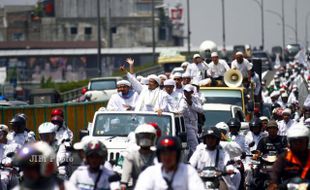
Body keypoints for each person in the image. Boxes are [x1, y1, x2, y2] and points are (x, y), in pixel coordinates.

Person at [134, 136, 205, 190]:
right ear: (159, 156)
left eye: (171, 153)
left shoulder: (188, 172)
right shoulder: (150, 173)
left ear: (177, 155)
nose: (167, 157)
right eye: (164, 153)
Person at [12, 141, 77, 190]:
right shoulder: (19, 188)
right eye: (24, 168)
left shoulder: (65, 187)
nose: (26, 173)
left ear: (48, 167)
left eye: (30, 168)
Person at [269, 124, 310, 189]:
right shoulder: (284, 158)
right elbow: (275, 173)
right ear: (290, 143)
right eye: (295, 142)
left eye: (301, 141)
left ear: (307, 142)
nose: (298, 144)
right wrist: (273, 184)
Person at [121, 124, 157, 189]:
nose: (145, 140)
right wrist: (124, 183)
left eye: (148, 137)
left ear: (153, 138)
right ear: (137, 138)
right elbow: (125, 177)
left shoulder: (157, 156)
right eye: (142, 137)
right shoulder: (131, 156)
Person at [177, 84, 203, 157]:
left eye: (188, 92)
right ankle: (195, 160)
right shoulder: (181, 98)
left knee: (190, 145)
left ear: (192, 92)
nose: (186, 93)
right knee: (194, 144)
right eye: (185, 91)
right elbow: (180, 110)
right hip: (186, 124)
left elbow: (201, 110)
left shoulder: (195, 98)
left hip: (194, 123)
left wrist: (191, 104)